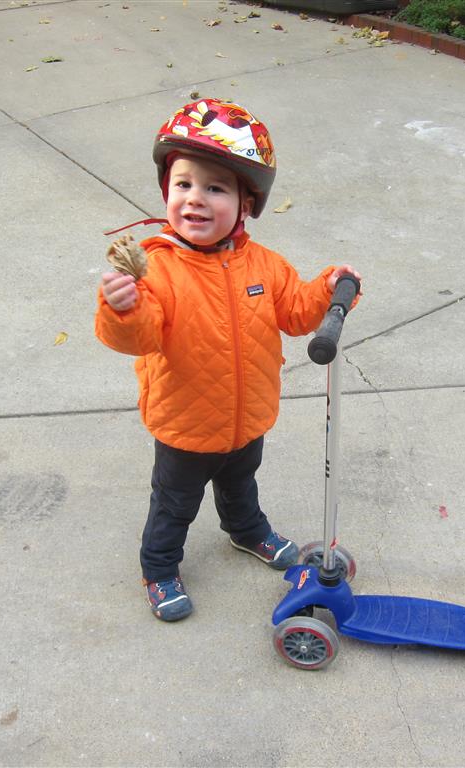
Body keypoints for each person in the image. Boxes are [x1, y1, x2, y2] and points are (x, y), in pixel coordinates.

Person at [95, 98, 361, 621]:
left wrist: (327, 288)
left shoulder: (264, 265)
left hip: (248, 416)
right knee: (174, 504)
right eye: (183, 184)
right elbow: (138, 338)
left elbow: (295, 312)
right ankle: (159, 568)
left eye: (215, 188)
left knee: (242, 483)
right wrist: (122, 309)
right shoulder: (157, 270)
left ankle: (247, 531)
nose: (195, 198)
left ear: (245, 203)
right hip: (186, 424)